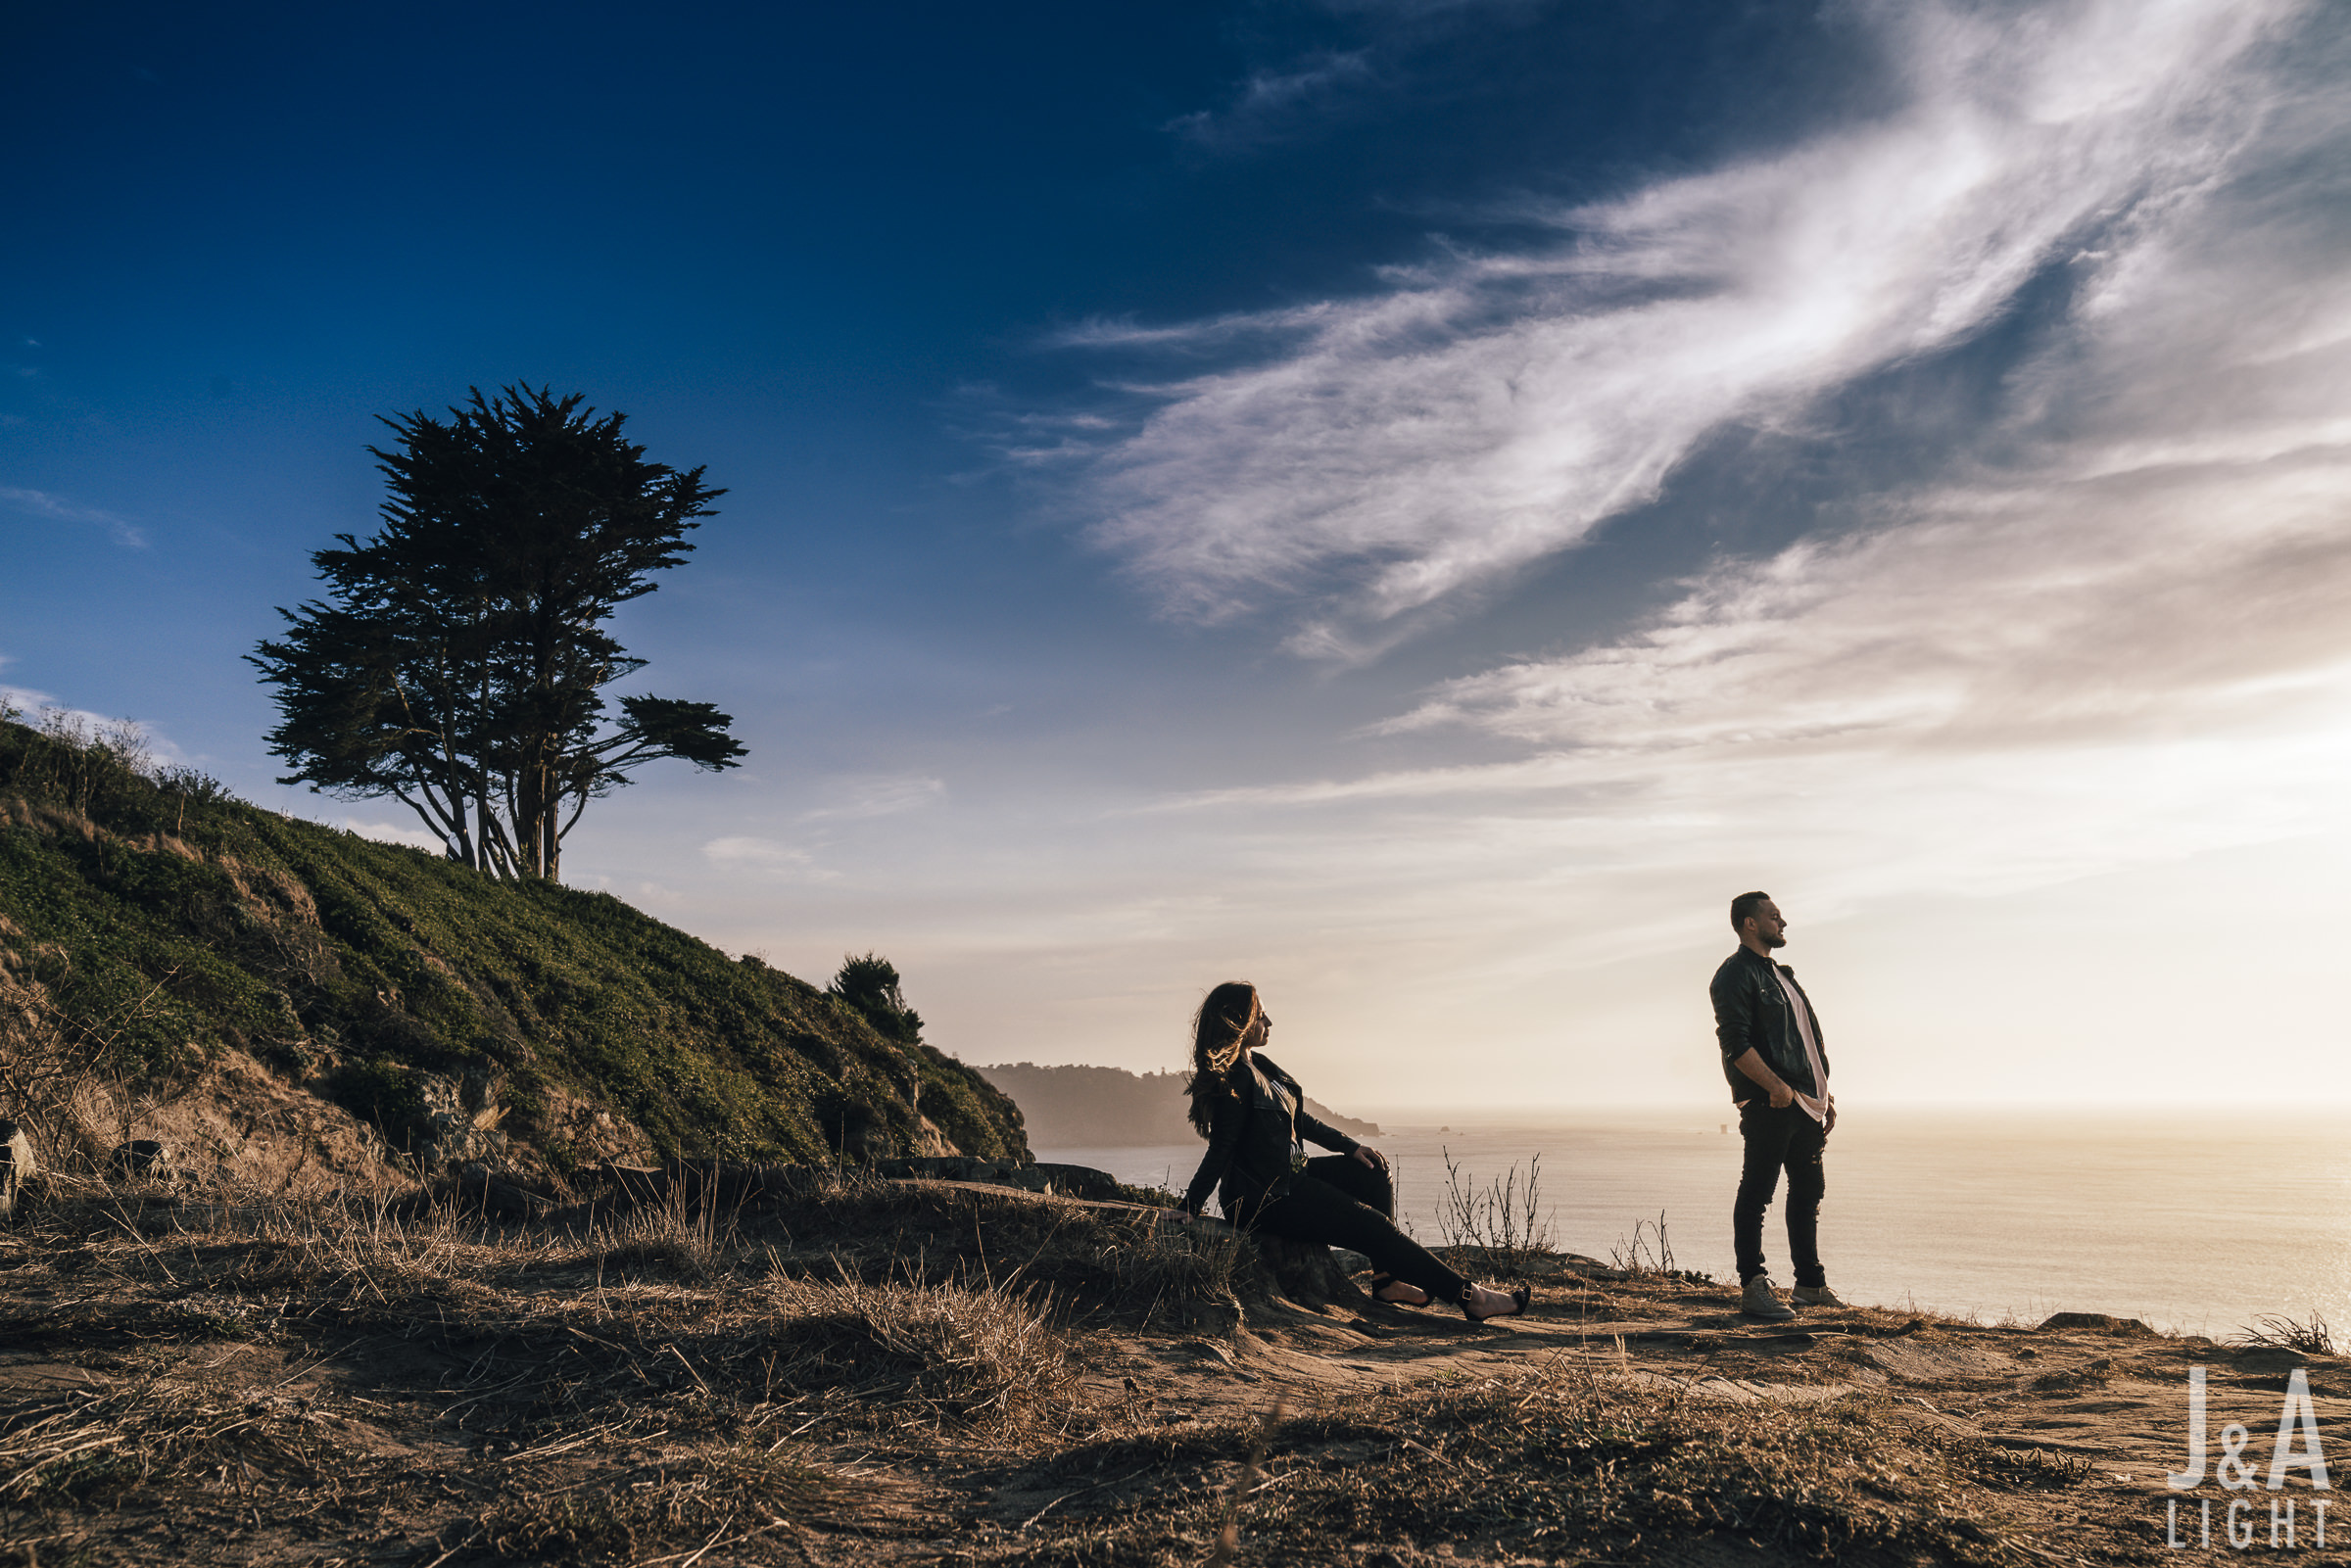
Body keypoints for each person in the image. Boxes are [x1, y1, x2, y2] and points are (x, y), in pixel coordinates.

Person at [1176, 981, 1529, 1322]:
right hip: (1264, 1199)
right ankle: (1472, 1298)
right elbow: (1221, 1149)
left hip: (1290, 1177)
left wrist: (1352, 1147)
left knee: (1372, 1170)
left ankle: (1386, 1281)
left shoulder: (1262, 1068)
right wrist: (1190, 1206)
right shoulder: (1235, 1081)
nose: (1269, 1022)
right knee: (1371, 1225)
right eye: (1261, 1016)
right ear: (1239, 1021)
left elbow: (1303, 1121)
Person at [1710, 892, 1846, 1320]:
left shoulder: (1781, 975)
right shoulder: (1734, 974)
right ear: (1750, 923)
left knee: (1808, 1193)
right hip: (1772, 1102)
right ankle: (1753, 1285)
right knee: (1757, 1193)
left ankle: (1810, 1285)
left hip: (1805, 1103)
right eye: (1773, 916)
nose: (1783, 922)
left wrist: (1822, 1093)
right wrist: (1777, 1088)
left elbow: (1802, 1042)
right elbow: (1735, 1044)